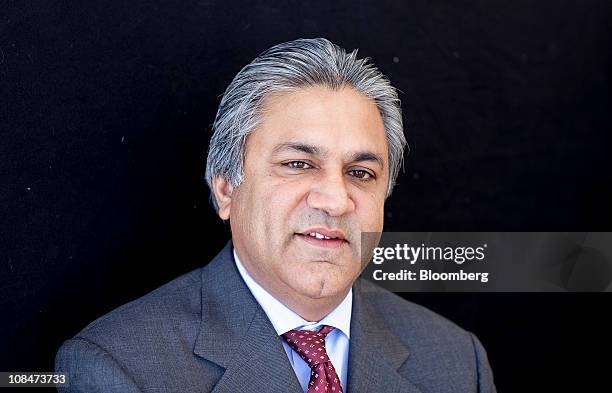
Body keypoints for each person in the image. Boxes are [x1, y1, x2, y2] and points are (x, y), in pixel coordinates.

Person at [56, 38, 496, 393]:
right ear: (226, 187)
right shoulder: (118, 367)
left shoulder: (457, 360)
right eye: (298, 164)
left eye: (360, 173)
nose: (335, 200)